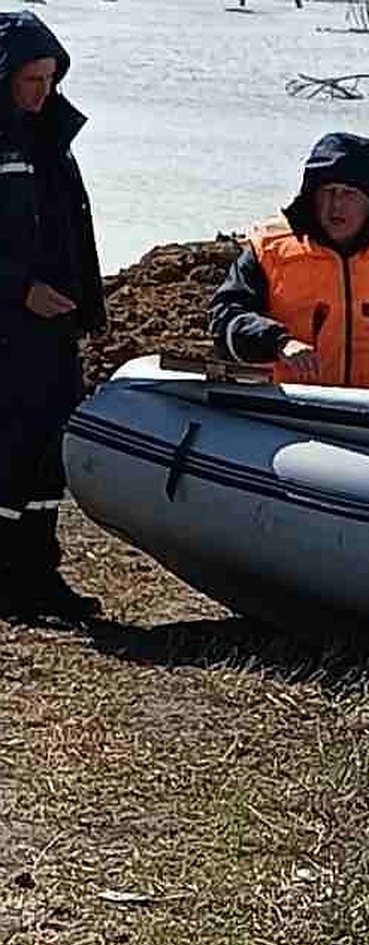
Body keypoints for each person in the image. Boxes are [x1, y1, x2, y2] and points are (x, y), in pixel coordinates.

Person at [210, 131, 369, 394]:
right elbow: (225, 318)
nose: (336, 204)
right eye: (328, 191)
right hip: (285, 412)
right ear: (312, 196)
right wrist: (279, 343)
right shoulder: (270, 251)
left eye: (349, 193)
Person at [0, 11, 106, 623]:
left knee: (47, 454)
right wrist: (18, 290)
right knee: (6, 453)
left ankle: (37, 574)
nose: (43, 93)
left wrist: (90, 305)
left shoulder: (50, 136)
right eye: (31, 80)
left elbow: (71, 227)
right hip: (9, 325)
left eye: (50, 79)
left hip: (52, 328)